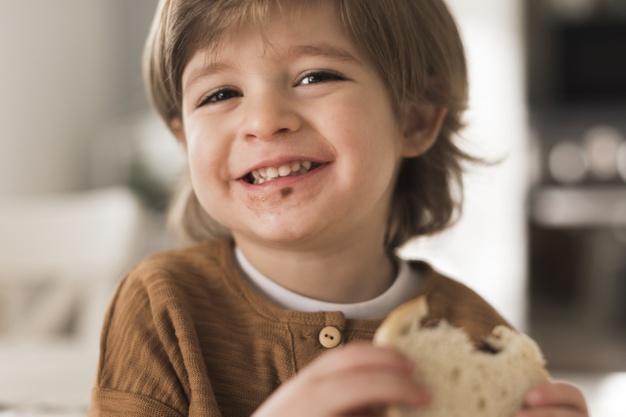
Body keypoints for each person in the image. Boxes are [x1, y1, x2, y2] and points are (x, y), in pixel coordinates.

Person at [89, 1, 589, 416]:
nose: (264, 121)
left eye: (314, 77)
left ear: (414, 119)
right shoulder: (162, 306)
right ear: (182, 138)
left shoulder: (478, 338)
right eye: (220, 93)